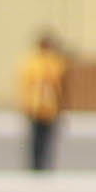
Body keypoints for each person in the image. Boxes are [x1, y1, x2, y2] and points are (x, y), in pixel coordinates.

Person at [19, 29, 72, 172]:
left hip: (37, 106)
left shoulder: (32, 62)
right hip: (47, 106)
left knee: (38, 139)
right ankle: (42, 165)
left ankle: (37, 165)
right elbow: (60, 85)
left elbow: (26, 84)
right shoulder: (54, 62)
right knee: (45, 138)